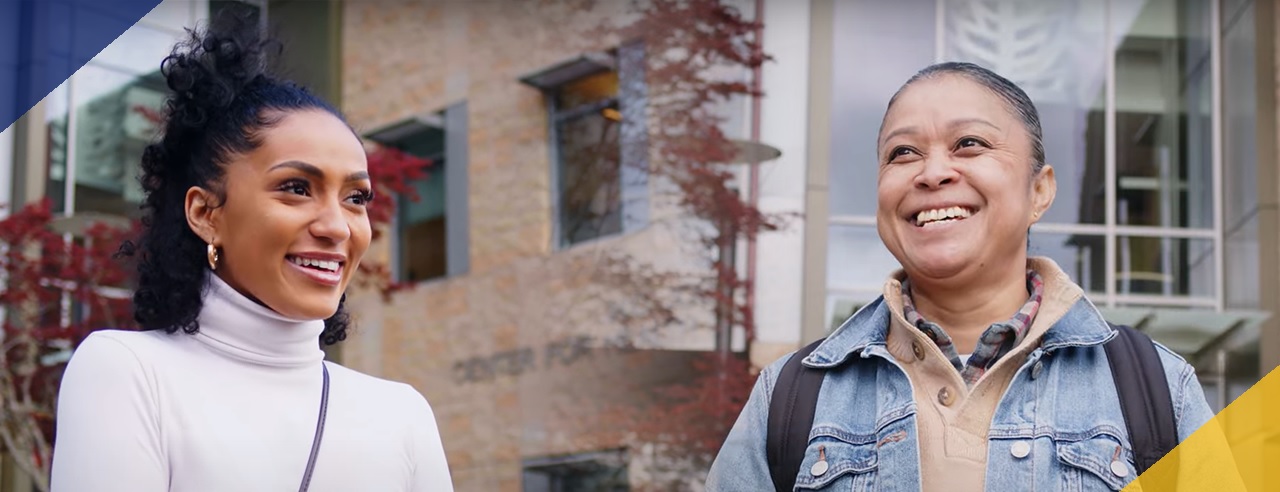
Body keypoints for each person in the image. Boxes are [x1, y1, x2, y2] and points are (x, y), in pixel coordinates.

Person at [705, 62, 1240, 491]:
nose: (932, 172)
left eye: (969, 144)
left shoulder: (1153, 389)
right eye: (903, 153)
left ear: (1040, 191)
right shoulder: (792, 396)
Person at [48, 9, 453, 492]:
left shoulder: (403, 416)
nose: (336, 227)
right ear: (205, 213)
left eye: (356, 198)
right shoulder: (128, 372)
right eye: (296, 188)